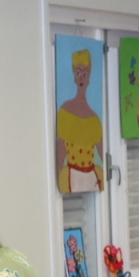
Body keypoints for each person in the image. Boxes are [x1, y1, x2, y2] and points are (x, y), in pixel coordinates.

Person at [56, 48, 104, 193]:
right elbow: (60, 151)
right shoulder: (65, 112)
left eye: (85, 73)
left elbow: (103, 153)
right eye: (78, 72)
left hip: (91, 175)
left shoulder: (95, 120)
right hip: (72, 175)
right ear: (74, 77)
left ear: (89, 77)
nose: (82, 78)